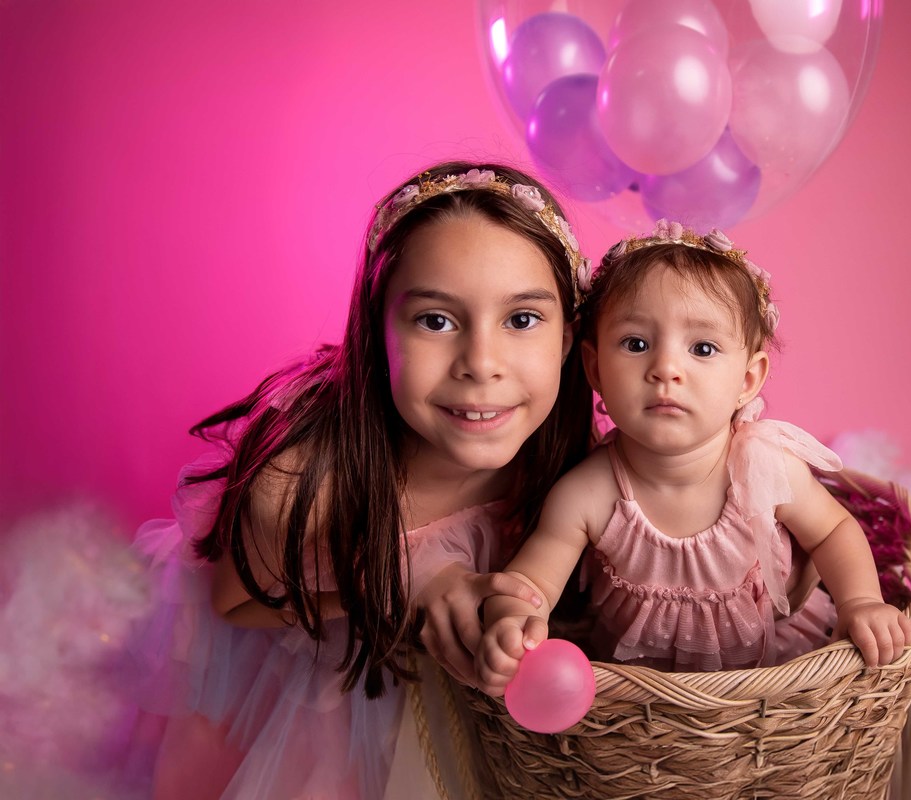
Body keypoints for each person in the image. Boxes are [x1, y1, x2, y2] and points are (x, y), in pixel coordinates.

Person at [128, 161, 593, 799]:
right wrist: (395, 593)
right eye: (436, 320)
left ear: (569, 338)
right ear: (378, 335)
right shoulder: (301, 482)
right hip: (335, 702)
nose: (481, 365)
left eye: (521, 320)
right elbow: (232, 604)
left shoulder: (576, 462)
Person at [475, 220, 911, 694]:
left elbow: (832, 531)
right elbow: (531, 581)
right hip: (642, 696)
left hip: (780, 672)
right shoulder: (588, 494)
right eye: (636, 344)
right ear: (595, 367)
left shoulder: (763, 466)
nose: (666, 369)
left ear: (747, 380)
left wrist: (861, 602)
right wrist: (513, 623)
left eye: (702, 348)